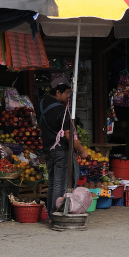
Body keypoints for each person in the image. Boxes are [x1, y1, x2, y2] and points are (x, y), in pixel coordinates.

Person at [39, 84, 89, 219]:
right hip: (61, 150)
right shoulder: (62, 111)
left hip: (48, 149)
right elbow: (68, 135)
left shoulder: (42, 104)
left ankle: (51, 214)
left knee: (52, 184)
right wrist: (82, 151)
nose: (68, 97)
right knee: (59, 184)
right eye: (67, 93)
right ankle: (56, 213)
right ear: (58, 92)